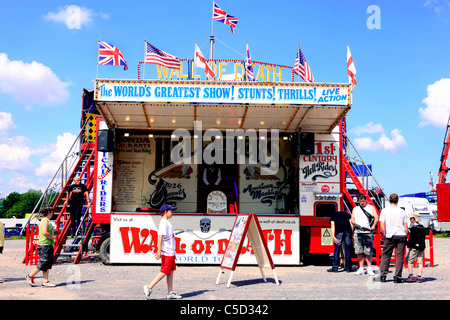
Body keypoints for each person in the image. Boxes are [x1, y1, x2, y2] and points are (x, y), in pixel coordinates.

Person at [143, 204, 182, 300]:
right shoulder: (163, 222)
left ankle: (170, 293)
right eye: (171, 211)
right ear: (166, 212)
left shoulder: (166, 222)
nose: (172, 213)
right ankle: (149, 287)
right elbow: (160, 237)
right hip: (167, 252)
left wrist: (173, 252)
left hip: (170, 252)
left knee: (170, 271)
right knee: (165, 271)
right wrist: (158, 251)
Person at [377, 193, 409, 283]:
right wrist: (405, 235)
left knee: (386, 255)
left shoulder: (385, 211)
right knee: (399, 256)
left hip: (390, 235)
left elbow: (382, 225)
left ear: (389, 200)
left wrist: (384, 234)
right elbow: (405, 226)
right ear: (397, 201)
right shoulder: (402, 211)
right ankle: (397, 277)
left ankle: (383, 275)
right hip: (401, 234)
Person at [26, 207, 56, 287]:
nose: (52, 214)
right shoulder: (45, 221)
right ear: (48, 212)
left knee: (48, 263)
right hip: (44, 244)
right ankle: (30, 275)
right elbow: (44, 232)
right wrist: (53, 238)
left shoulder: (47, 221)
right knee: (44, 262)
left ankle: (45, 281)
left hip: (48, 244)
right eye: (51, 212)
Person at [351, 194, 379, 275]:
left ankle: (369, 268)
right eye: (360, 201)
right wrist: (354, 224)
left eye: (363, 201)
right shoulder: (355, 209)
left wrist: (373, 225)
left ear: (365, 200)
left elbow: (376, 217)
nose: (362, 203)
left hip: (368, 232)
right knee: (359, 251)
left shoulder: (371, 207)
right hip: (358, 232)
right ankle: (361, 268)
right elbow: (352, 218)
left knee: (368, 251)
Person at [405, 212, 428, 283]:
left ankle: (411, 276)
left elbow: (412, 239)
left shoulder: (414, 228)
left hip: (414, 247)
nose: (410, 219)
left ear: (414, 219)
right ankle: (419, 276)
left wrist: (407, 243)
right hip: (421, 247)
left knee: (409, 260)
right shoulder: (422, 227)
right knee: (420, 262)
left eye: (411, 218)